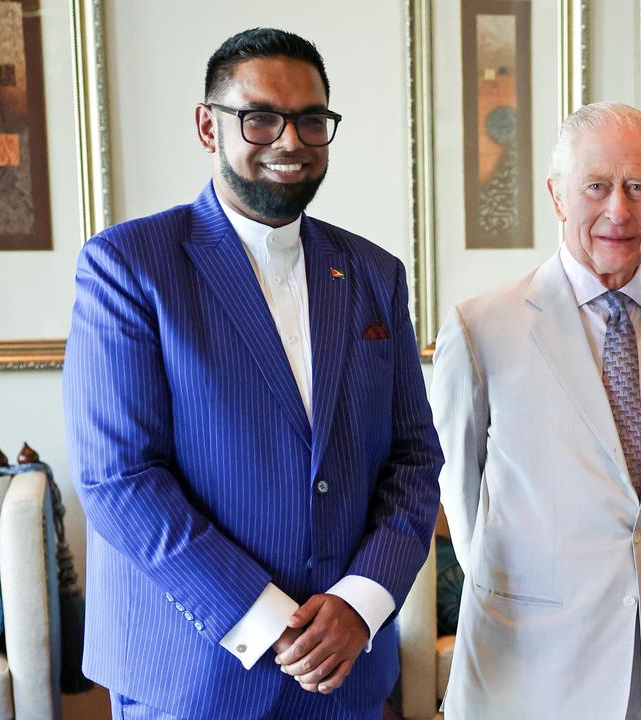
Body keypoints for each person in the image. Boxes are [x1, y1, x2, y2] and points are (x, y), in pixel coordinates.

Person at [63, 28, 442, 719]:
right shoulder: (129, 265)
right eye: (260, 117)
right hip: (194, 674)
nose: (290, 140)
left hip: (346, 673)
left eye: (311, 120)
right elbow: (119, 478)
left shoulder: (374, 274)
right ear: (209, 126)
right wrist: (269, 619)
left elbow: (415, 459)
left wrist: (361, 603)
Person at [431, 102, 641, 719]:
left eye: (637, 187)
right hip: (528, 667)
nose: (618, 209)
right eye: (596, 186)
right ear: (558, 196)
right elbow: (458, 497)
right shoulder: (481, 328)